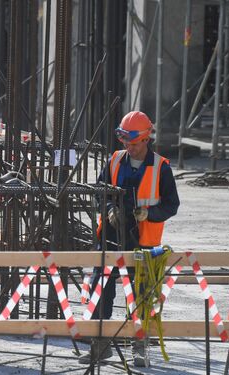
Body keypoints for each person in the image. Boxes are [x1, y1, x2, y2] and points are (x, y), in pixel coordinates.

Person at [79, 111, 180, 367]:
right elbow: (100, 193)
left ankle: (140, 348)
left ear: (146, 139)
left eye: (133, 143)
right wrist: (109, 209)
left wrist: (149, 213)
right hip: (112, 239)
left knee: (142, 297)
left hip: (144, 243)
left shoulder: (161, 167)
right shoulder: (115, 161)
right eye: (125, 142)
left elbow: (172, 205)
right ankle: (99, 346)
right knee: (100, 291)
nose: (128, 147)